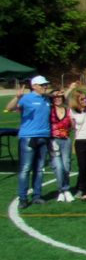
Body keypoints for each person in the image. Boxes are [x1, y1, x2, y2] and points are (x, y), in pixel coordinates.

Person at [7, 76, 52, 207]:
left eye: (46, 84)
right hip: (29, 137)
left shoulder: (46, 98)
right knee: (26, 169)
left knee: (39, 169)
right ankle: (23, 198)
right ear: (34, 86)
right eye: (42, 85)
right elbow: (9, 108)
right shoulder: (26, 98)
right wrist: (17, 97)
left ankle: (37, 196)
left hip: (44, 137)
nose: (45, 86)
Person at [48, 87, 74, 203]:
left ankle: (65, 191)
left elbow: (72, 126)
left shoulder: (68, 110)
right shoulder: (49, 110)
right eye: (55, 97)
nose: (57, 99)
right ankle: (62, 190)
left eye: (59, 96)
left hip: (66, 140)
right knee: (58, 167)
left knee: (66, 165)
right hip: (53, 141)